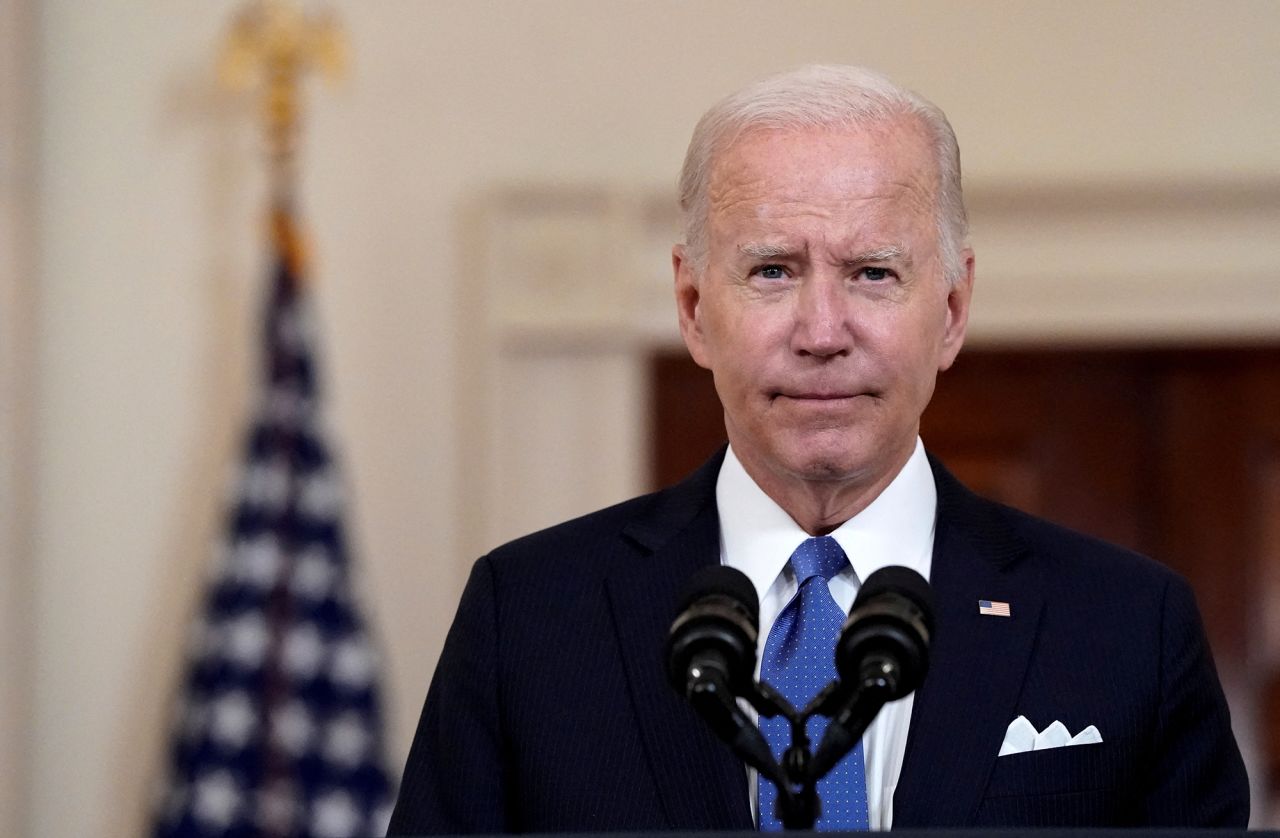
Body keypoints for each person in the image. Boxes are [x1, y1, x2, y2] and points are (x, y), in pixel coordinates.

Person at [388, 65, 1249, 833]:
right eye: (772, 271)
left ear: (951, 310)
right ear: (692, 306)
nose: (822, 331)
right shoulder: (531, 616)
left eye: (873, 272)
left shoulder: (1129, 626)